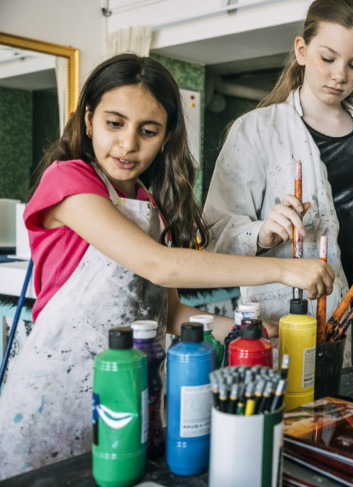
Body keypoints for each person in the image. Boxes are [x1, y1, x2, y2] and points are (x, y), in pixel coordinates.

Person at [0, 53, 334, 479]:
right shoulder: (68, 182)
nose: (127, 144)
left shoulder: (150, 203)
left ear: (166, 136)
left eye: (148, 130)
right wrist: (283, 270)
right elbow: (159, 266)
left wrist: (239, 328)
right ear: (88, 120)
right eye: (114, 123)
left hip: (133, 402)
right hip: (53, 403)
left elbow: (170, 312)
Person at [203, 0, 353, 366]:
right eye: (328, 58)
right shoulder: (256, 130)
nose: (340, 76)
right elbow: (213, 234)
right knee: (295, 415)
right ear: (301, 51)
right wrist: (262, 233)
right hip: (289, 316)